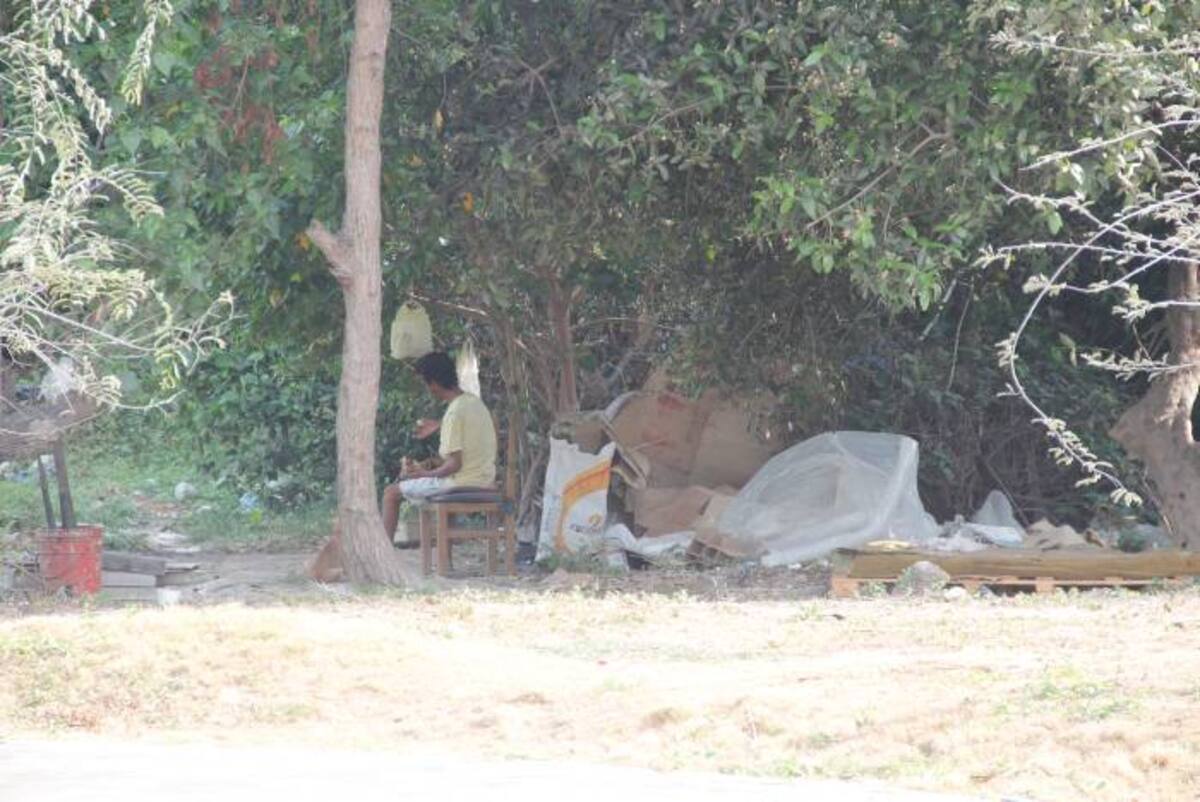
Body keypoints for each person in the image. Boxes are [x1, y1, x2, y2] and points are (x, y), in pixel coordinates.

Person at [382, 351, 497, 543]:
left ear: (433, 383)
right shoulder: (474, 403)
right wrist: (430, 464)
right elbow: (465, 455)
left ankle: (382, 554)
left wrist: (421, 475)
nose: (427, 389)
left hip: (460, 484)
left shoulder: (454, 413)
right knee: (413, 484)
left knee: (390, 493)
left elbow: (454, 466)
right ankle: (447, 561)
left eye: (425, 383)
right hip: (484, 479)